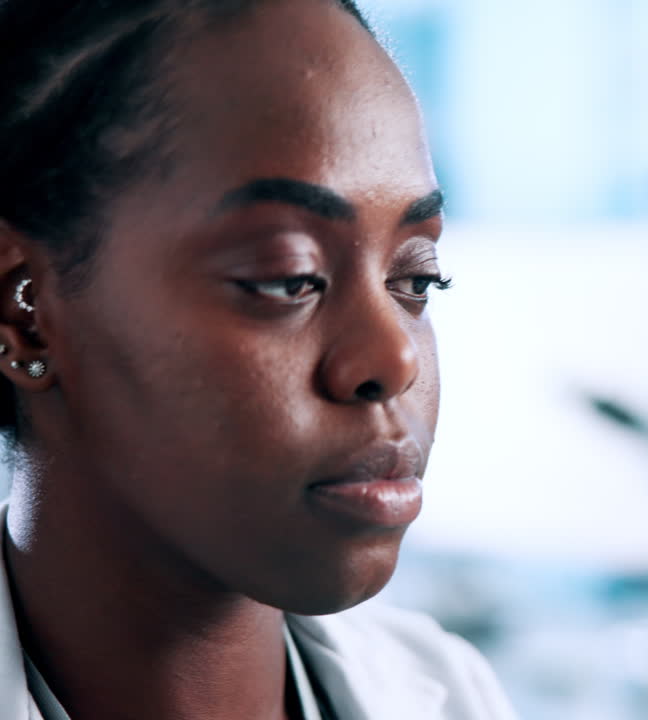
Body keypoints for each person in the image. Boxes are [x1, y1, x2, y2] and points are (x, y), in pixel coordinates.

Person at [0, 1, 517, 717]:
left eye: (416, 279)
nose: (393, 359)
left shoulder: (455, 694)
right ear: (23, 314)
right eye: (288, 278)